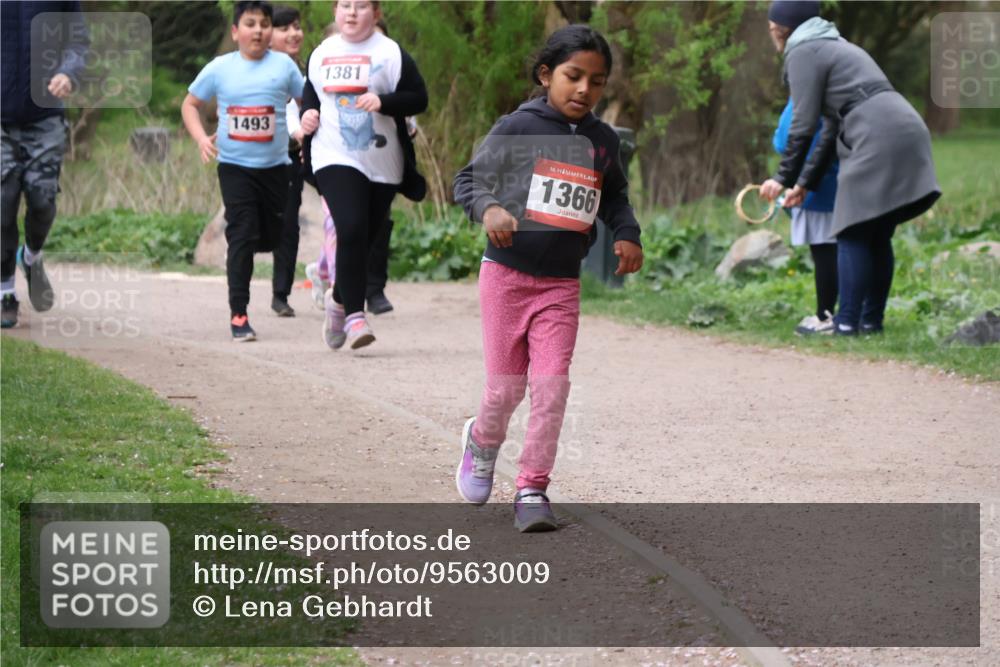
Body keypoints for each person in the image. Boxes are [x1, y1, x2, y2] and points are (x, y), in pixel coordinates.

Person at [452, 25, 643, 532]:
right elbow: (468, 180)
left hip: (561, 284)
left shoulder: (602, 141)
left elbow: (616, 195)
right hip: (507, 277)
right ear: (546, 75)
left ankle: (532, 486)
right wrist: (489, 208)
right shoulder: (519, 127)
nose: (584, 90)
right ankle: (483, 442)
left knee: (551, 385)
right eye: (573, 77)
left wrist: (627, 233)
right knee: (504, 389)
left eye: (596, 82)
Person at [759, 0, 940, 336]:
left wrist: (781, 178)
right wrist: (804, 184)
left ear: (779, 28)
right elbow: (829, 128)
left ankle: (845, 323)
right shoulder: (835, 44)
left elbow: (803, 122)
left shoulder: (803, 51)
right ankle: (870, 322)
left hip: (874, 135)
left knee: (853, 230)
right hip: (905, 125)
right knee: (877, 231)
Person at [299, 0, 427, 350]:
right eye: (344, 5)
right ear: (335, 11)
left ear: (377, 13)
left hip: (383, 159)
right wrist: (308, 114)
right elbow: (311, 93)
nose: (352, 12)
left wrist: (383, 102)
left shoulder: (392, 53)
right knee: (350, 228)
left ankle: (338, 301)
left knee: (364, 239)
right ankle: (356, 317)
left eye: (361, 5)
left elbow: (419, 99)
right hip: (333, 153)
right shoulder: (322, 52)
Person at [181, 0, 308, 341]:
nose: (258, 30)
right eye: (250, 24)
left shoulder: (283, 66)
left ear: (270, 31)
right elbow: (190, 104)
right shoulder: (220, 68)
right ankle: (239, 314)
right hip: (235, 167)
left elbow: (307, 100)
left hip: (276, 168)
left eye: (264, 24)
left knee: (271, 235)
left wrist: (310, 123)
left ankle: (249, 248)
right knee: (243, 233)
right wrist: (200, 140)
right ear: (236, 31)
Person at [1, 1, 89, 328]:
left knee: (43, 199)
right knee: (2, 202)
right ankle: (5, 292)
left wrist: (68, 70)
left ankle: (32, 256)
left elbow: (79, 39)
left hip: (45, 116)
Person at [772, 98, 839, 335]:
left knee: (824, 250)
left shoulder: (806, 100)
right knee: (837, 249)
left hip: (817, 187)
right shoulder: (826, 97)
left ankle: (825, 316)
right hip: (826, 182)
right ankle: (849, 313)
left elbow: (784, 140)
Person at [269, 4, 306, 318]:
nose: (293, 34)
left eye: (296, 27)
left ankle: (280, 294)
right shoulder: (258, 68)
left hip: (295, 157)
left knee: (289, 223)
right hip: (258, 159)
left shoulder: (311, 67)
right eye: (285, 28)